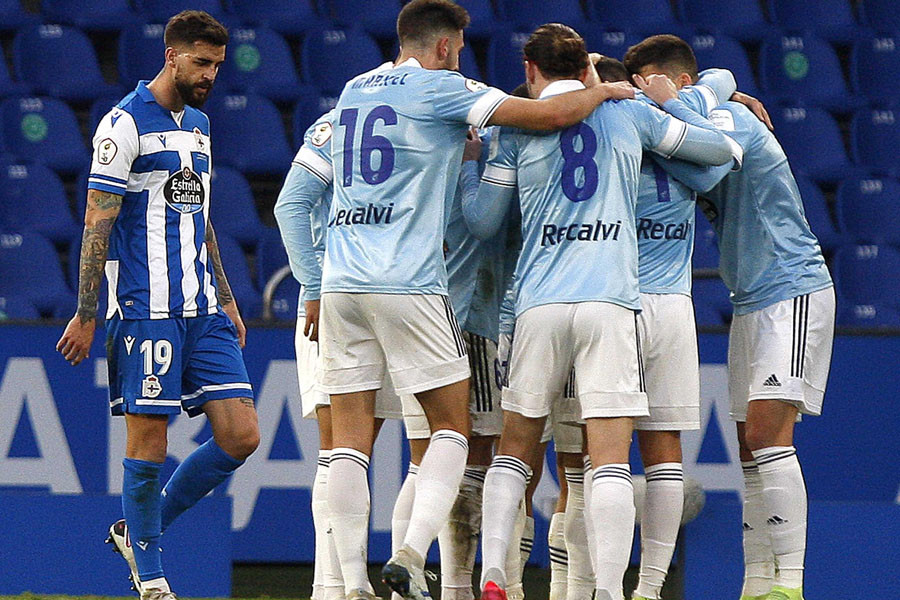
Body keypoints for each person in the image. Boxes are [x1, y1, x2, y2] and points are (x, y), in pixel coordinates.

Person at [307, 2, 634, 599]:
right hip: (406, 280)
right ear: (443, 47)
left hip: (340, 280)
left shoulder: (353, 90)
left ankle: (350, 583)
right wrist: (603, 92)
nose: (459, 56)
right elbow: (550, 113)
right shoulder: (440, 87)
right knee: (452, 431)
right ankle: (410, 551)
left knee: (347, 443)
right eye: (457, 47)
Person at [466, 23, 739, 600]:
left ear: (531, 66)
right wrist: (692, 106)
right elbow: (716, 153)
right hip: (610, 304)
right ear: (587, 69)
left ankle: (494, 572)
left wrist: (477, 164)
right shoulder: (626, 114)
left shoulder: (518, 125)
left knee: (516, 446)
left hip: (539, 302)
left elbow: (486, 222)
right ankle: (613, 591)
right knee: (609, 459)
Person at [55, 11, 259, 600]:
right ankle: (152, 579)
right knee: (149, 440)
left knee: (241, 436)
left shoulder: (198, 124)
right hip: (145, 308)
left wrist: (226, 295)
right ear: (171, 56)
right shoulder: (123, 126)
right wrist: (87, 312)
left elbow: (200, 214)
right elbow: (97, 220)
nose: (211, 75)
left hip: (202, 309)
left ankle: (138, 531)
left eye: (218, 65)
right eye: (201, 63)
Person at [625, 34, 835, 600]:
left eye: (648, 87)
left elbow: (703, 169)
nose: (643, 100)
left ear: (676, 83)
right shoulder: (713, 107)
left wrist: (690, 106)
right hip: (751, 296)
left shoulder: (728, 124)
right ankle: (756, 582)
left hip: (792, 288)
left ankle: (790, 584)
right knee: (747, 446)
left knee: (769, 433)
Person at [274, 106, 406, 600]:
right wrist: (312, 284)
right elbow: (290, 205)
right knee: (340, 447)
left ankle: (335, 586)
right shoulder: (340, 124)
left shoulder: (408, 118)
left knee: (350, 449)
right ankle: (333, 587)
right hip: (336, 298)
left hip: (379, 297)